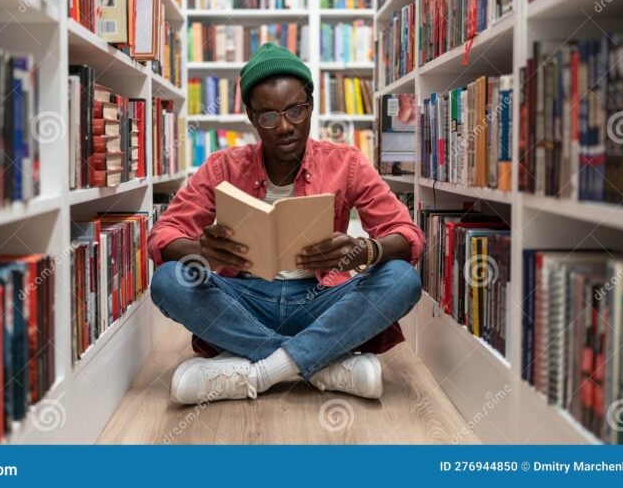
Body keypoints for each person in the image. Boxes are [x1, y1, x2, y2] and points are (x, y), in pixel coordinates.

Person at [148, 43, 424, 405]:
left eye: (296, 110)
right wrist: (198, 249)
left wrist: (367, 250)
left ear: (311, 104)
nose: (285, 126)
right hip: (244, 303)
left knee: (403, 279)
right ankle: (320, 366)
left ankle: (262, 371)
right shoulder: (222, 167)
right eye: (268, 116)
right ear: (250, 116)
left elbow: (409, 236)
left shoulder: (346, 162)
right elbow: (162, 235)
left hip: (322, 301)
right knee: (169, 280)